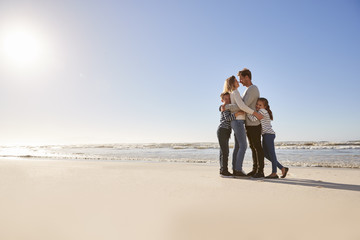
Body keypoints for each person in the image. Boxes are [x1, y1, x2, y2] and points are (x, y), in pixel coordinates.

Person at [222, 76, 263, 177]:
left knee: (237, 146)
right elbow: (242, 106)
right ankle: (238, 169)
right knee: (243, 146)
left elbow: (239, 106)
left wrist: (227, 107)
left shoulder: (233, 93)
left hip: (237, 121)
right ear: (232, 83)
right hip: (238, 121)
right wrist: (255, 113)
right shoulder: (235, 92)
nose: (238, 81)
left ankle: (235, 169)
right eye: (236, 80)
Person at [248, 98, 289, 179]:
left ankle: (274, 173)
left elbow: (253, 119)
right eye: (257, 104)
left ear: (265, 106)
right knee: (266, 154)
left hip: (269, 135)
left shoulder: (262, 111)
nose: (258, 106)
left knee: (272, 154)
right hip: (266, 135)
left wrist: (247, 112)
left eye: (260, 105)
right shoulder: (262, 111)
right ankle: (282, 168)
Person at [238, 68, 265, 178]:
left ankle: (260, 171)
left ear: (247, 77)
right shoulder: (247, 89)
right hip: (249, 123)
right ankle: (255, 169)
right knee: (253, 147)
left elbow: (243, 104)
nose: (240, 81)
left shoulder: (253, 88)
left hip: (254, 124)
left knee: (257, 147)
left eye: (241, 79)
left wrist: (230, 106)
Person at [217, 92, 244, 177]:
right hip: (222, 130)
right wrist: (238, 113)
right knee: (225, 152)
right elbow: (228, 119)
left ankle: (223, 170)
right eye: (225, 99)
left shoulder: (227, 107)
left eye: (229, 99)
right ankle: (224, 170)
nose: (228, 100)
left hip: (226, 131)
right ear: (222, 100)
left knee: (224, 151)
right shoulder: (224, 107)